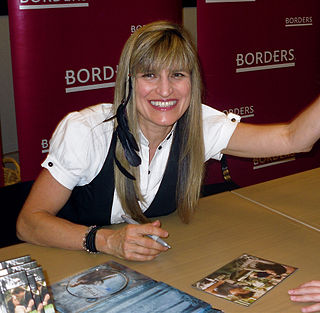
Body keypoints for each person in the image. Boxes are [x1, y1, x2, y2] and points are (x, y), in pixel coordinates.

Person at [16, 21, 320, 265]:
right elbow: (29, 223)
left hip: (158, 264)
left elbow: (293, 138)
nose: (165, 90)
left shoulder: (199, 125)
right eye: (150, 74)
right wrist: (106, 241)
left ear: (192, 82)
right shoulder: (88, 131)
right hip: (73, 262)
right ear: (129, 80)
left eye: (177, 74)